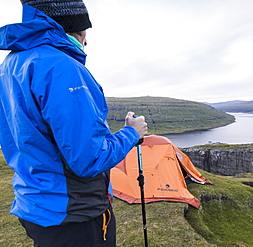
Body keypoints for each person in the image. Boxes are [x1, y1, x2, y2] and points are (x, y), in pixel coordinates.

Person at [0, 0, 147, 246]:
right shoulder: (62, 67)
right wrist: (131, 133)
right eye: (83, 31)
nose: (86, 40)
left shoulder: (11, 65)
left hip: (35, 203)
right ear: (69, 26)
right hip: (74, 213)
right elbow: (89, 160)